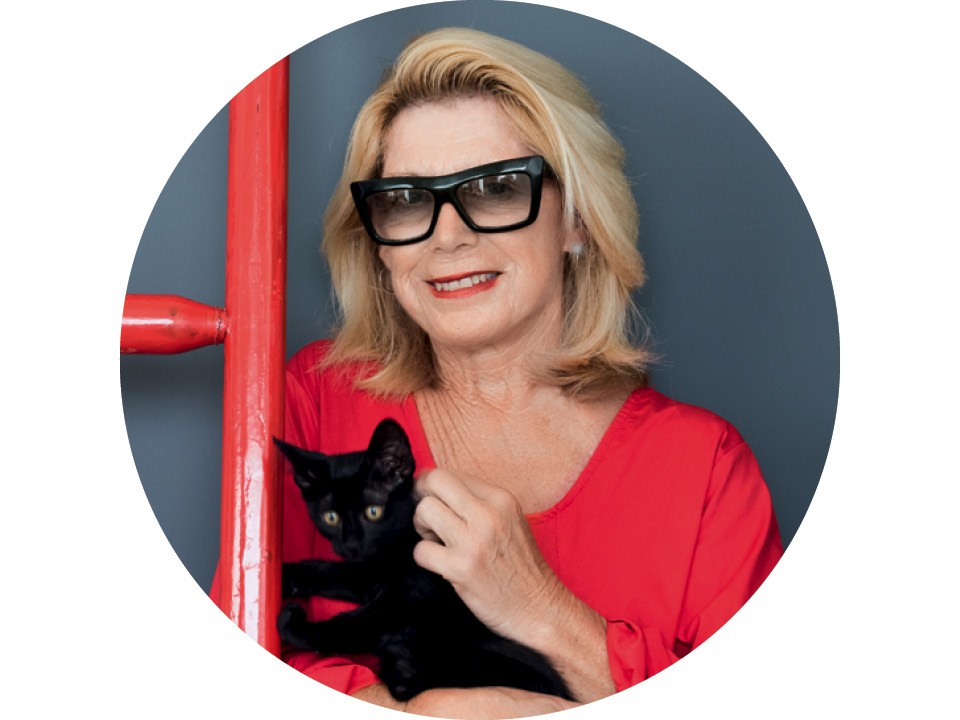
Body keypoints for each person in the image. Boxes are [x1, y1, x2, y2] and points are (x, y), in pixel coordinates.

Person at [224, 27, 783, 718]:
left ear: (576, 218)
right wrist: (429, 710)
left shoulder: (705, 470)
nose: (447, 236)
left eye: (494, 188)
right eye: (406, 199)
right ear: (378, 245)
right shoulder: (313, 401)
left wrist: (541, 608)